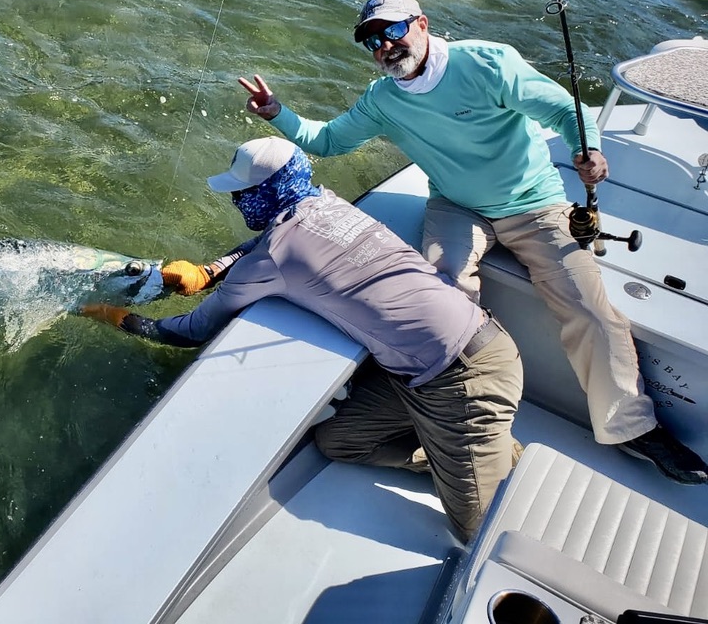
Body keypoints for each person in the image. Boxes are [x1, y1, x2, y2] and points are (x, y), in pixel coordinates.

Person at [234, 0, 708, 484]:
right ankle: (441, 411)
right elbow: (327, 141)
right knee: (442, 296)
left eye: (392, 30)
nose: (384, 46)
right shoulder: (383, 100)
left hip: (535, 202)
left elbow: (566, 112)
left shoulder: (487, 63)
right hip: (457, 206)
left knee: (586, 305)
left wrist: (587, 150)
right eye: (371, 39)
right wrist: (276, 113)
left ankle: (632, 429)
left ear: (422, 22)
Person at [82, 136, 524, 542]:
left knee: (477, 532)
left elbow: (188, 333)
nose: (237, 200)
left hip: (464, 382)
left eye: (242, 192)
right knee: (339, 442)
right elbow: (272, 236)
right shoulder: (329, 204)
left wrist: (114, 316)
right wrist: (211, 270)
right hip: (438, 364)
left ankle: (489, 456)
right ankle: (464, 455)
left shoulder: (270, 258)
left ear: (265, 191)